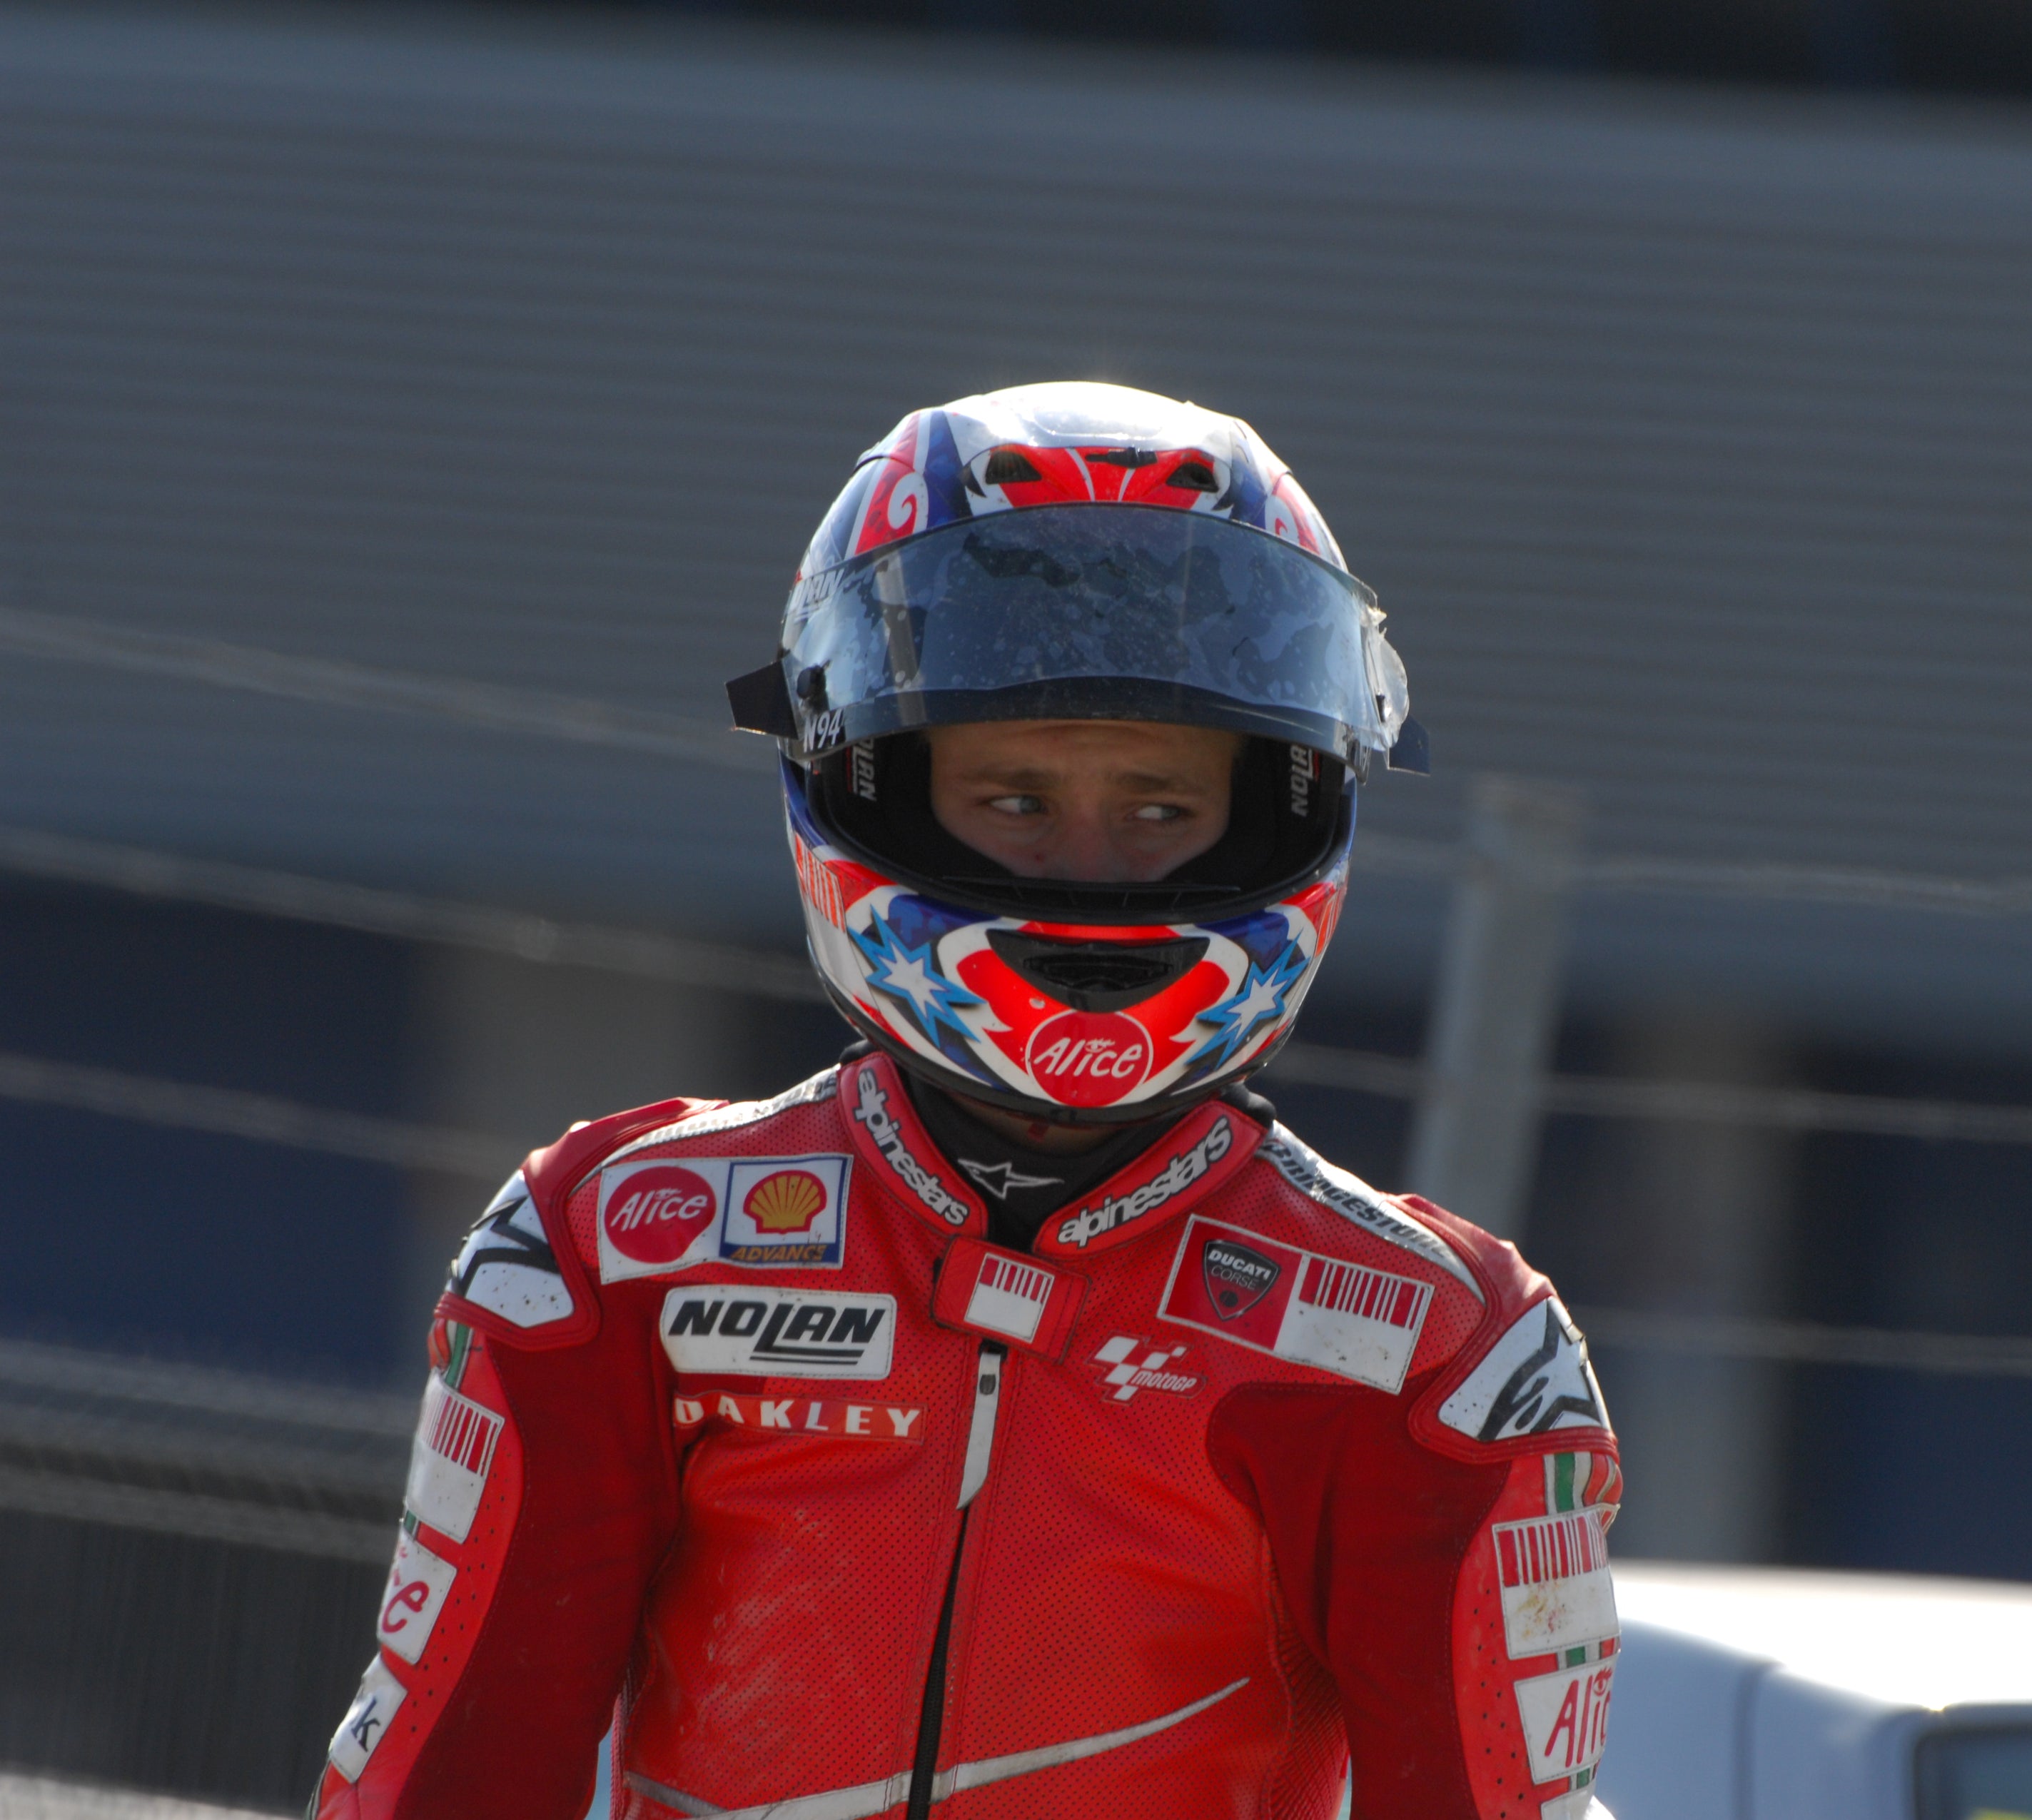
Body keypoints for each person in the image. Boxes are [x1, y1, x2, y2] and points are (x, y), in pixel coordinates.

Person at [315, 383, 1623, 1820]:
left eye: (1158, 805)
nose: (1085, 864)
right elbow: (445, 1782)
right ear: (861, 777)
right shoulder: (609, 1251)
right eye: (1013, 798)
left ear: (1283, 806)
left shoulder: (1438, 1351)